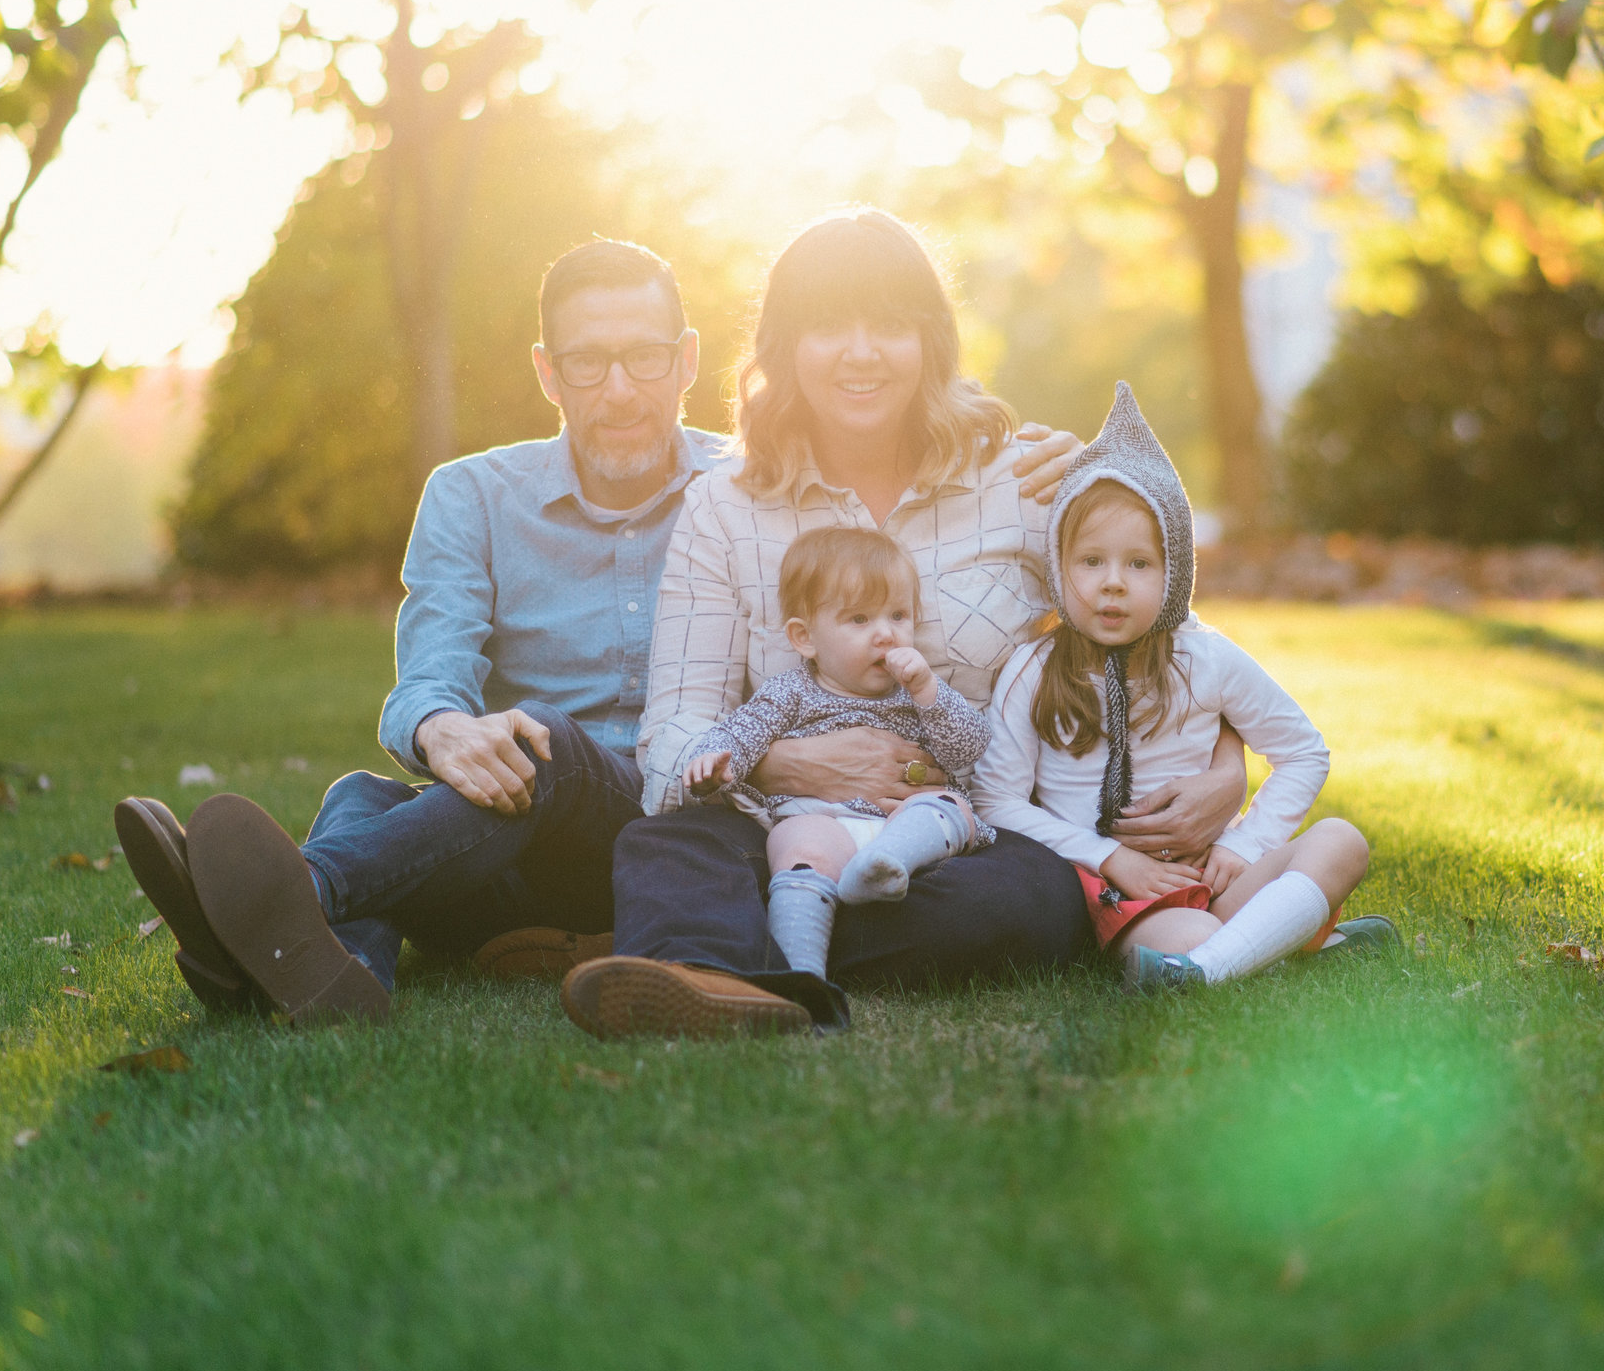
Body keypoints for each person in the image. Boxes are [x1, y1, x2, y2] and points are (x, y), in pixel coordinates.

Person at [109, 235, 1081, 1024]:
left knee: (396, 803)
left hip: (717, 833)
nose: (618, 388)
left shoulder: (737, 480)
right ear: (549, 372)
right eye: (588, 361)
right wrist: (445, 728)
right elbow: (433, 674)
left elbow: (1131, 588)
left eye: (645, 357)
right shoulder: (512, 497)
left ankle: (295, 905)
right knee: (427, 776)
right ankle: (321, 946)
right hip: (570, 815)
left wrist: (1094, 474)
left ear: (687, 361)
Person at [561, 207, 1251, 1040]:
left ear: (930, 340)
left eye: (889, 324)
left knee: (1032, 895)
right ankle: (709, 973)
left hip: (958, 838)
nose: (860, 352)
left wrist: (1226, 768)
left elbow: (1169, 646)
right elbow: (676, 723)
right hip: (782, 827)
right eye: (826, 326)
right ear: (782, 349)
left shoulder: (1018, 479)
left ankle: (753, 945)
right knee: (665, 842)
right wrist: (779, 764)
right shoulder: (725, 504)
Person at [974, 383, 1397, 992]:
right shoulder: (1034, 669)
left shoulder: (1206, 658)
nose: (1112, 584)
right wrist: (1110, 858)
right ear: (1058, 566)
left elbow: (1303, 752)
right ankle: (1263, 947)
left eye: (1138, 564)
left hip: (1218, 876)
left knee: (1342, 841)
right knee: (1195, 937)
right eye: (1091, 562)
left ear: (1175, 572)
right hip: (1121, 891)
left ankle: (1215, 965)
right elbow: (998, 802)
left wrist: (1247, 846)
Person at [681, 526, 993, 982]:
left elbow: (968, 747)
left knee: (949, 805)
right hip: (823, 819)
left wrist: (928, 689)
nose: (886, 634)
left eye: (899, 615)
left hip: (908, 825)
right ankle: (801, 977)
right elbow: (743, 732)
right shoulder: (791, 691)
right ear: (805, 638)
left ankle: (886, 863)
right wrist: (714, 758)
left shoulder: (918, 694)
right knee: (799, 848)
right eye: (860, 620)